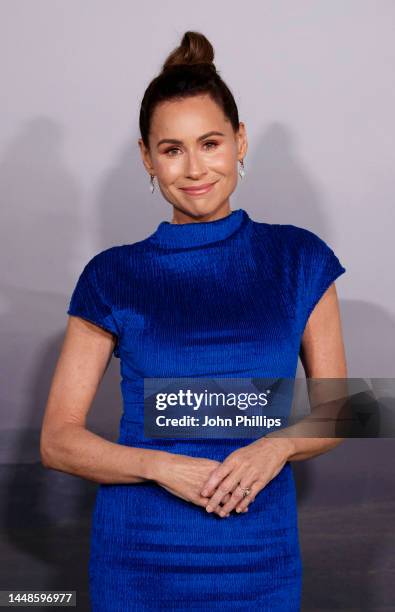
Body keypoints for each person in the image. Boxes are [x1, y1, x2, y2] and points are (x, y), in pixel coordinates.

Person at [40, 30, 347, 611]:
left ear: (239, 141)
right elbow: (58, 442)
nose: (194, 168)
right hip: (138, 559)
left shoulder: (300, 259)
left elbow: (343, 407)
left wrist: (275, 447)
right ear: (147, 158)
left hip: (260, 557)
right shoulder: (112, 274)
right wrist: (162, 468)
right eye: (172, 149)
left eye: (210, 143)